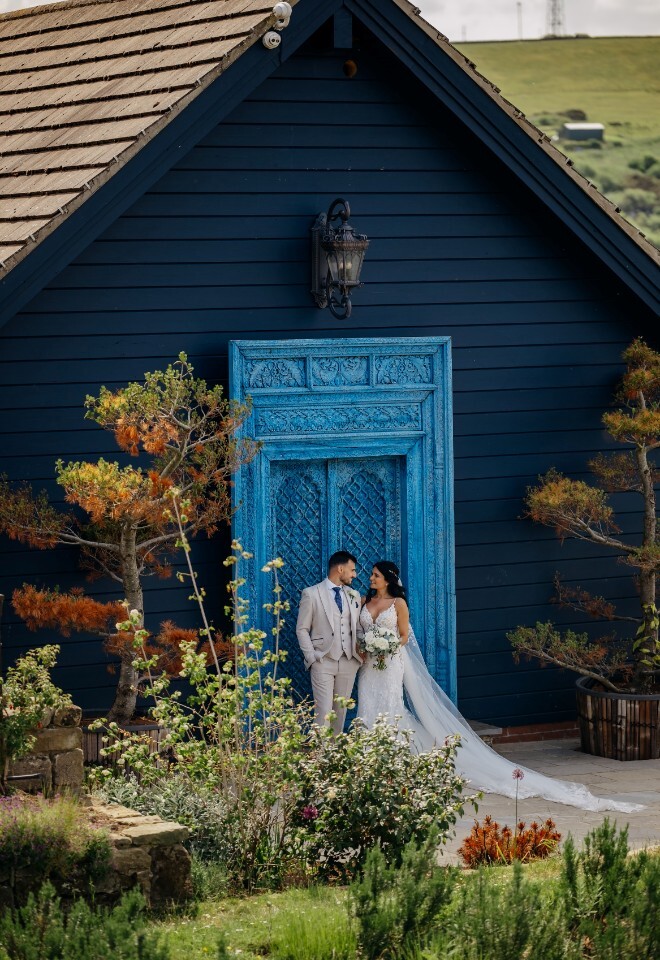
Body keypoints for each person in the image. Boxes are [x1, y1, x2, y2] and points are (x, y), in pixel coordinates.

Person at [357, 559, 643, 813]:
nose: (371, 578)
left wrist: (386, 647)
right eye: (371, 574)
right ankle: (367, 758)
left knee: (392, 708)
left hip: (391, 663)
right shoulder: (364, 601)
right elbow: (359, 630)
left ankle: (393, 759)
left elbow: (404, 636)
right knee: (369, 706)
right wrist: (367, 647)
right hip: (369, 666)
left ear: (388, 579)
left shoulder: (398, 604)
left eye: (376, 575)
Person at [295, 550, 363, 734]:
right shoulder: (311, 593)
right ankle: (320, 755)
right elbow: (302, 628)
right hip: (323, 660)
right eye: (352, 570)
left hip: (349, 661)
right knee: (323, 711)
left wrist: (362, 650)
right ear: (340, 569)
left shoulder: (354, 595)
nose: (354, 575)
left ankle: (334, 757)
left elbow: (356, 627)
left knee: (340, 711)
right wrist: (311, 656)